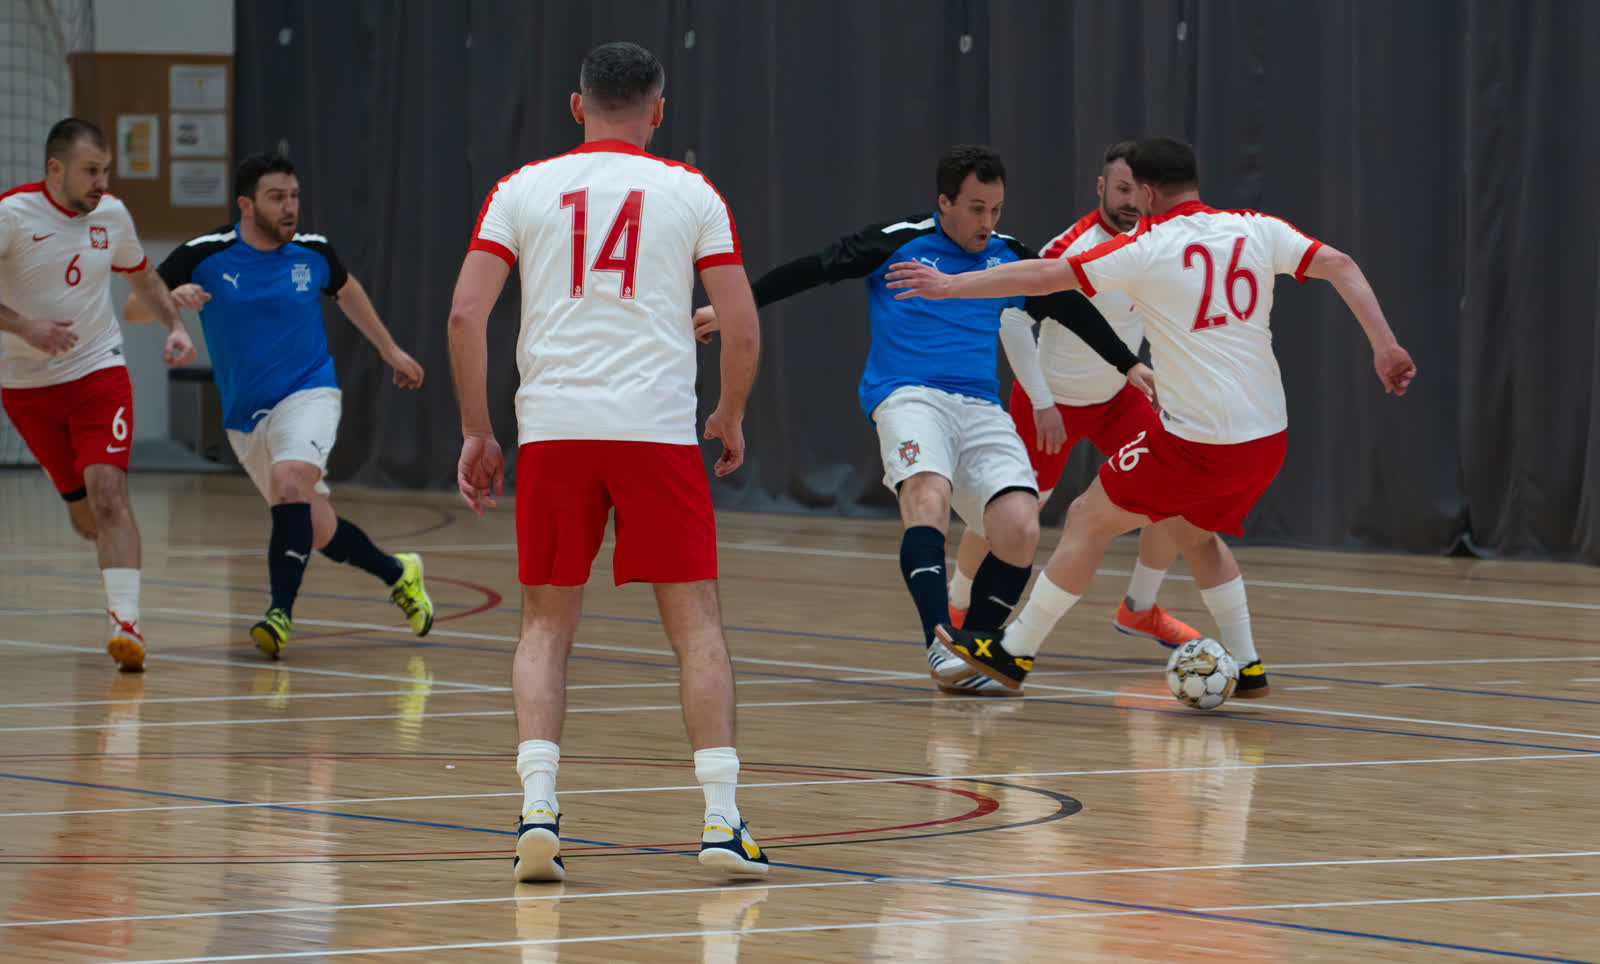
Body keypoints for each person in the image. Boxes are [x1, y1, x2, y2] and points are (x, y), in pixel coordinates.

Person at [887, 136, 1415, 697]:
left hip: (1198, 443)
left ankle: (1014, 652)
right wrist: (1385, 346)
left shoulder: (1145, 246)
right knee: (1193, 533)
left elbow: (1040, 278)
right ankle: (1247, 664)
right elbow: (1340, 264)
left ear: (1145, 191)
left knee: (1087, 516)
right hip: (1267, 439)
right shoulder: (1256, 227)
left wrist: (950, 286)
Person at [446, 41, 768, 881]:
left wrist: (478, 429)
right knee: (697, 628)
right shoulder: (692, 192)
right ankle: (721, 822)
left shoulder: (519, 188)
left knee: (544, 627)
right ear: (658, 110)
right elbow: (740, 326)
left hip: (555, 430)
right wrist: (729, 412)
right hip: (656, 432)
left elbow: (465, 316)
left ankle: (538, 812)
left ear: (576, 105)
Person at [694, 144, 1153, 695]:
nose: (987, 222)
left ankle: (975, 650)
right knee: (929, 499)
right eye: (976, 208)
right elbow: (812, 269)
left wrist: (1128, 364)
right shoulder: (897, 241)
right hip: (908, 396)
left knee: (1021, 527)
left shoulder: (1007, 255)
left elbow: (1069, 304)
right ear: (945, 202)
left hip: (980, 406)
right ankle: (941, 641)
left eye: (996, 210)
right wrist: (731, 309)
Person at [124, 153, 434, 659]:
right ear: (246, 205)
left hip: (310, 392)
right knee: (316, 526)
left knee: (290, 481)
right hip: (245, 416)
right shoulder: (206, 253)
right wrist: (171, 299)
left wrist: (390, 350)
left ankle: (279, 616)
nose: (289, 207)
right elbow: (134, 306)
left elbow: (347, 291)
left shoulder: (314, 252)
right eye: (276, 198)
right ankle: (399, 572)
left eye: (294, 197)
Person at [947, 141, 1201, 649]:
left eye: (1137, 190)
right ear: (1102, 187)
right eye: (1120, 189)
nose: (1129, 201)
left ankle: (1140, 609)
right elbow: (1012, 320)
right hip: (1051, 402)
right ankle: (955, 606)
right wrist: (1042, 402)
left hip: (1118, 400)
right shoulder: (1068, 249)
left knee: (1178, 490)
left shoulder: (1157, 244)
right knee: (1009, 513)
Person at [0, 117, 196, 673]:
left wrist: (175, 326)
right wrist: (25, 327)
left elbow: (144, 279)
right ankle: (112, 558)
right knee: (87, 515)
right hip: (25, 385)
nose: (101, 182)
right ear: (55, 169)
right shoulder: (12, 215)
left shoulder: (111, 215)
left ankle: (125, 624)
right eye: (90, 171)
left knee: (109, 494)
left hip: (96, 370)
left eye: (106, 170)